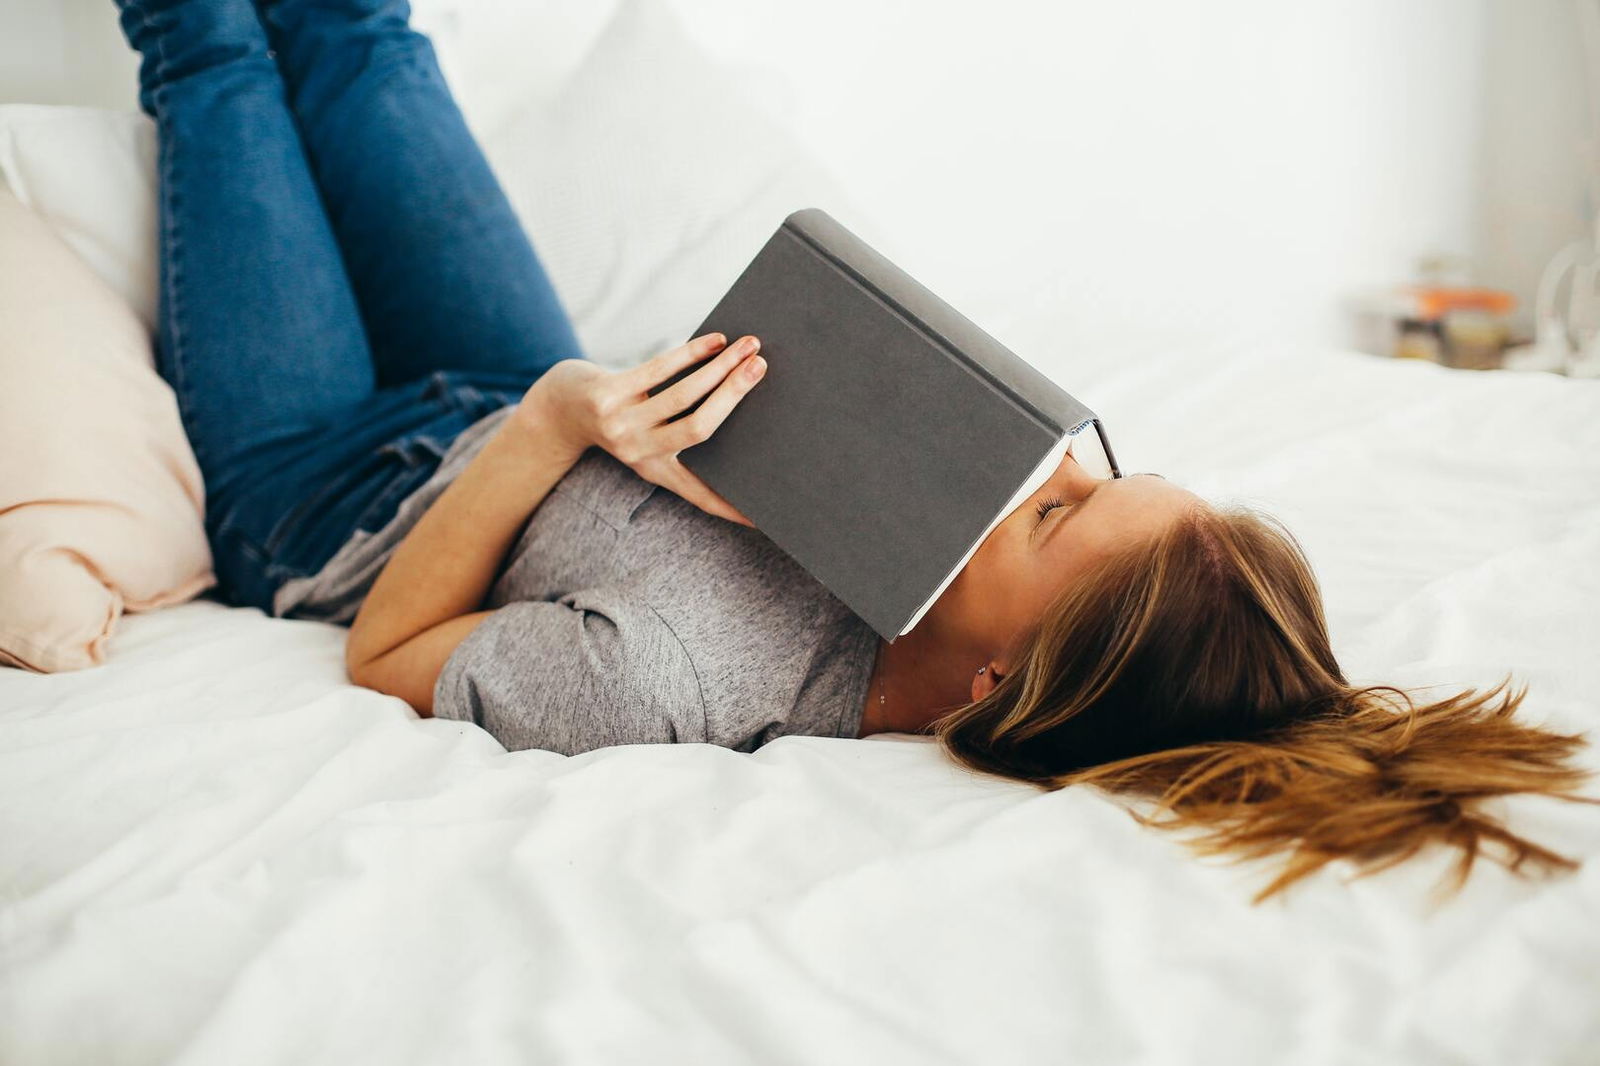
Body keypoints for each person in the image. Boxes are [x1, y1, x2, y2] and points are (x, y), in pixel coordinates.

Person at [116, 0, 1592, 901]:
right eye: (1083, 464)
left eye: (1056, 513)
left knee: (218, 48)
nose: (1028, 471)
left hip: (335, 490)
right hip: (516, 382)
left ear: (1006, 682)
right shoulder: (913, 522)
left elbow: (388, 652)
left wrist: (561, 416)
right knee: (358, 29)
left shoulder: (676, 679)